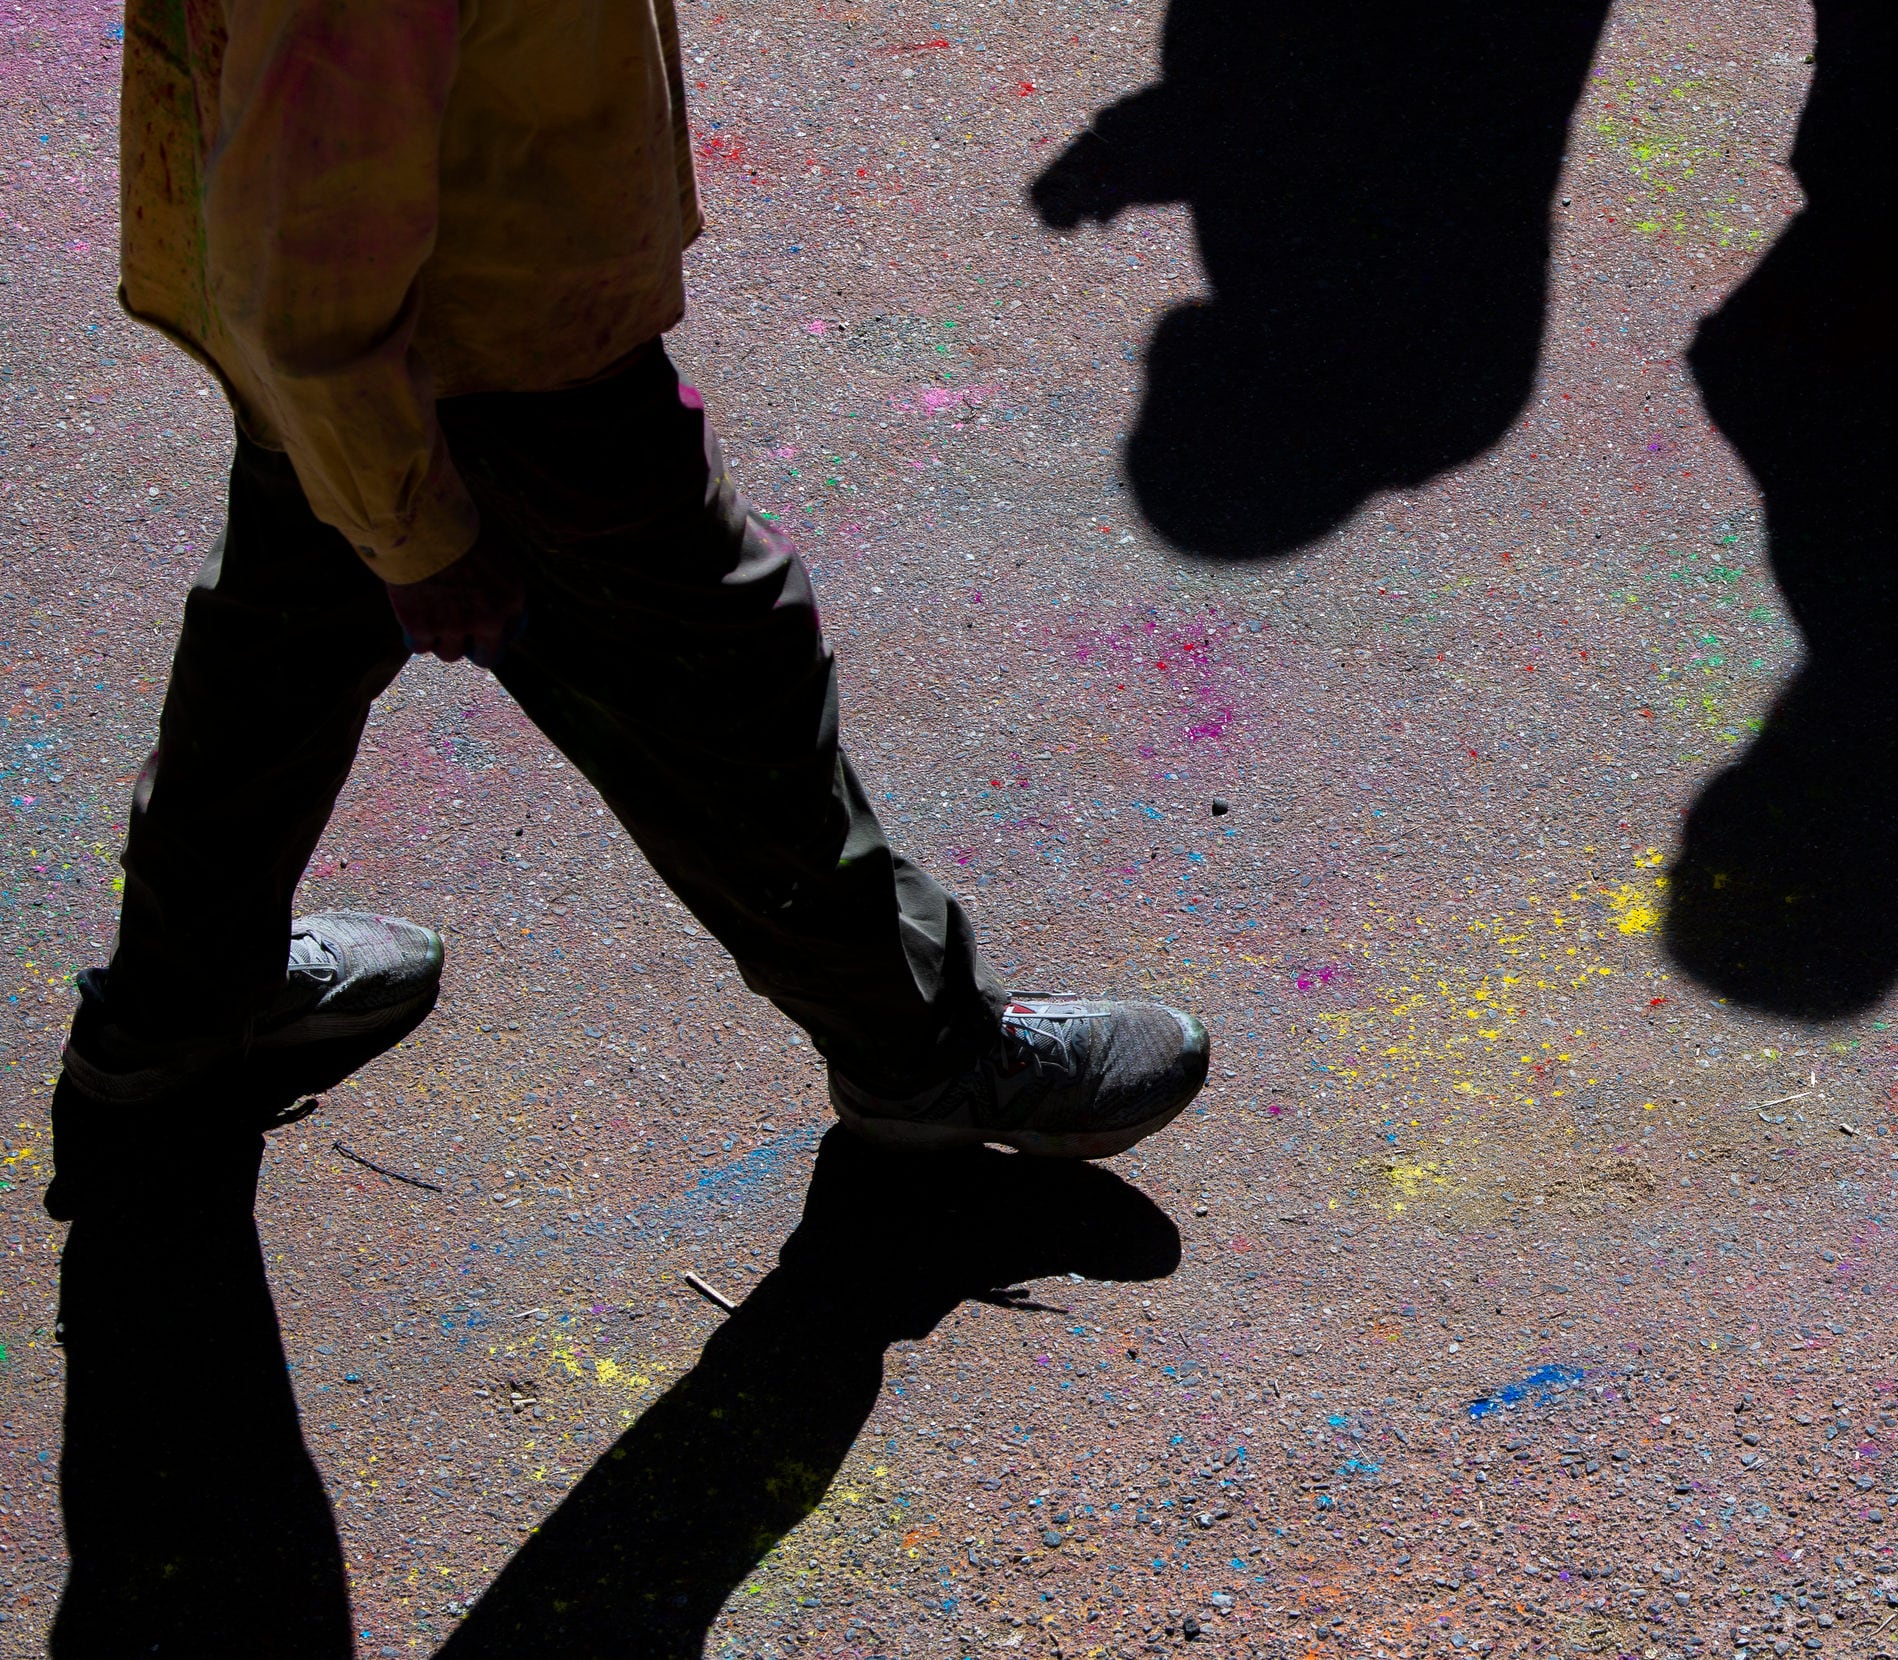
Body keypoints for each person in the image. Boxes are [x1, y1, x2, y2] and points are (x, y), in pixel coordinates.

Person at [76, 0, 1207, 1154]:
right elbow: (306, 257)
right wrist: (415, 529)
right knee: (719, 681)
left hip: (416, 319)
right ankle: (924, 1053)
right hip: (494, 349)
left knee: (282, 641)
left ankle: (177, 1006)